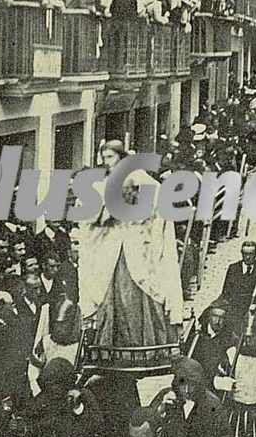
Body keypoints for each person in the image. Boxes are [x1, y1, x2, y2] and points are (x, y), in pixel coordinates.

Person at [77, 140, 183, 348]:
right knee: (112, 292)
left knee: (137, 292)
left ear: (121, 156)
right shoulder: (104, 183)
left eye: (110, 157)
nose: (106, 162)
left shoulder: (140, 179)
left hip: (137, 245)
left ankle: (143, 343)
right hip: (113, 247)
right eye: (104, 157)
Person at [220, 240, 256, 348]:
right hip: (237, 317)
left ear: (255, 254)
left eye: (250, 254)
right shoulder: (233, 269)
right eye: (245, 254)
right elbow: (226, 294)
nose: (247, 257)